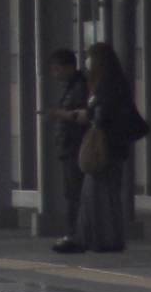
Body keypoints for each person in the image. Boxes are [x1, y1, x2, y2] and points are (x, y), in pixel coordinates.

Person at [53, 42, 136, 254]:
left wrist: (74, 115)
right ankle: (100, 239)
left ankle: (97, 239)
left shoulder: (105, 86)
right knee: (103, 195)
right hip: (111, 148)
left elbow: (100, 114)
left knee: (96, 195)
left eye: (90, 58)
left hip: (104, 149)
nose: (87, 63)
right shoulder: (113, 83)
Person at [44, 49, 88, 250]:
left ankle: (74, 234)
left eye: (57, 69)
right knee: (72, 192)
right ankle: (75, 233)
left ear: (69, 67)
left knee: (74, 193)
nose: (55, 74)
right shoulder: (73, 86)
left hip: (75, 147)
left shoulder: (79, 87)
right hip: (70, 146)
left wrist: (59, 114)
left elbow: (81, 115)